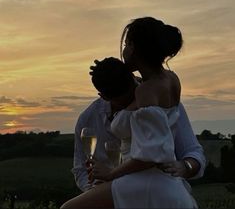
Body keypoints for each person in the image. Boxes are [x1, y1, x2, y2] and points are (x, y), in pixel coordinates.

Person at [61, 17, 204, 208]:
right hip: (153, 181)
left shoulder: (146, 92)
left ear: (135, 47)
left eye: (126, 43)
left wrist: (111, 174)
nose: (123, 49)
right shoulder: (171, 80)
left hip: (145, 181)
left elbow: (151, 154)